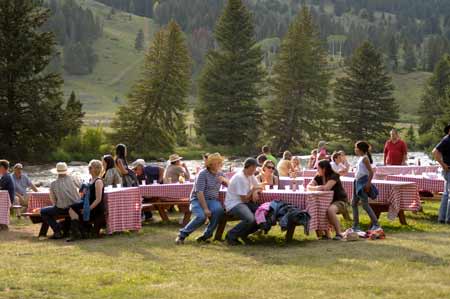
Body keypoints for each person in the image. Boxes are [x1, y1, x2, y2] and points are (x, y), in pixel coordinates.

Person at [176, 153, 227, 244]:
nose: (217, 164)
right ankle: (182, 235)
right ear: (210, 164)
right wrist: (205, 209)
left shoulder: (220, 173)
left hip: (212, 200)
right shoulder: (202, 174)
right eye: (215, 163)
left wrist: (225, 180)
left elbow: (231, 186)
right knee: (201, 217)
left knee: (219, 211)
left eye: (219, 162)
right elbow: (199, 192)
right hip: (197, 200)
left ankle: (206, 236)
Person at [307, 160, 349, 240]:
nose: (317, 171)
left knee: (330, 210)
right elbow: (308, 186)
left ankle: (338, 233)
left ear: (324, 169)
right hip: (325, 203)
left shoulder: (334, 176)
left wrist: (316, 188)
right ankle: (324, 235)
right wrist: (317, 187)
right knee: (316, 209)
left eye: (318, 169)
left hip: (340, 201)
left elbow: (326, 188)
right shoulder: (318, 176)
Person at [225, 158, 262, 245]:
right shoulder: (240, 178)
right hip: (234, 204)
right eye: (254, 168)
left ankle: (243, 234)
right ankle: (231, 235)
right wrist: (253, 191)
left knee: (262, 214)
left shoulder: (250, 174)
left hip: (244, 202)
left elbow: (258, 186)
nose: (255, 170)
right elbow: (244, 199)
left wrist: (255, 192)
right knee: (250, 219)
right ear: (248, 167)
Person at [67, 160, 105, 242]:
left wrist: (88, 209)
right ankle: (79, 232)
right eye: (89, 167)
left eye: (90, 167)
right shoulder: (90, 180)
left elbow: (98, 199)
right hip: (87, 204)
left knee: (73, 208)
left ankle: (78, 233)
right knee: (72, 207)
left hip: (95, 208)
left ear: (95, 169)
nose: (88, 169)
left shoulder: (98, 181)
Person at [40, 162, 81, 239]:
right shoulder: (73, 179)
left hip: (62, 209)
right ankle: (60, 228)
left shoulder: (53, 184)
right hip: (76, 208)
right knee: (49, 210)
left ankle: (57, 229)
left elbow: (54, 201)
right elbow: (83, 187)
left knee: (43, 211)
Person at [352, 141, 380, 232]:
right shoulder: (360, 158)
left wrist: (368, 184)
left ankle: (376, 224)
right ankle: (355, 225)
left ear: (360, 149)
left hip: (362, 183)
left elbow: (371, 172)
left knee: (365, 204)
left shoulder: (365, 158)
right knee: (353, 203)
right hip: (357, 181)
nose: (355, 149)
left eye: (356, 148)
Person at [433, 124, 450, 223]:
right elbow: (435, 152)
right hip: (448, 169)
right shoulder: (447, 140)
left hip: (447, 169)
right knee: (448, 195)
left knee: (446, 194)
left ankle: (442, 218)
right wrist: (443, 164)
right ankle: (448, 219)